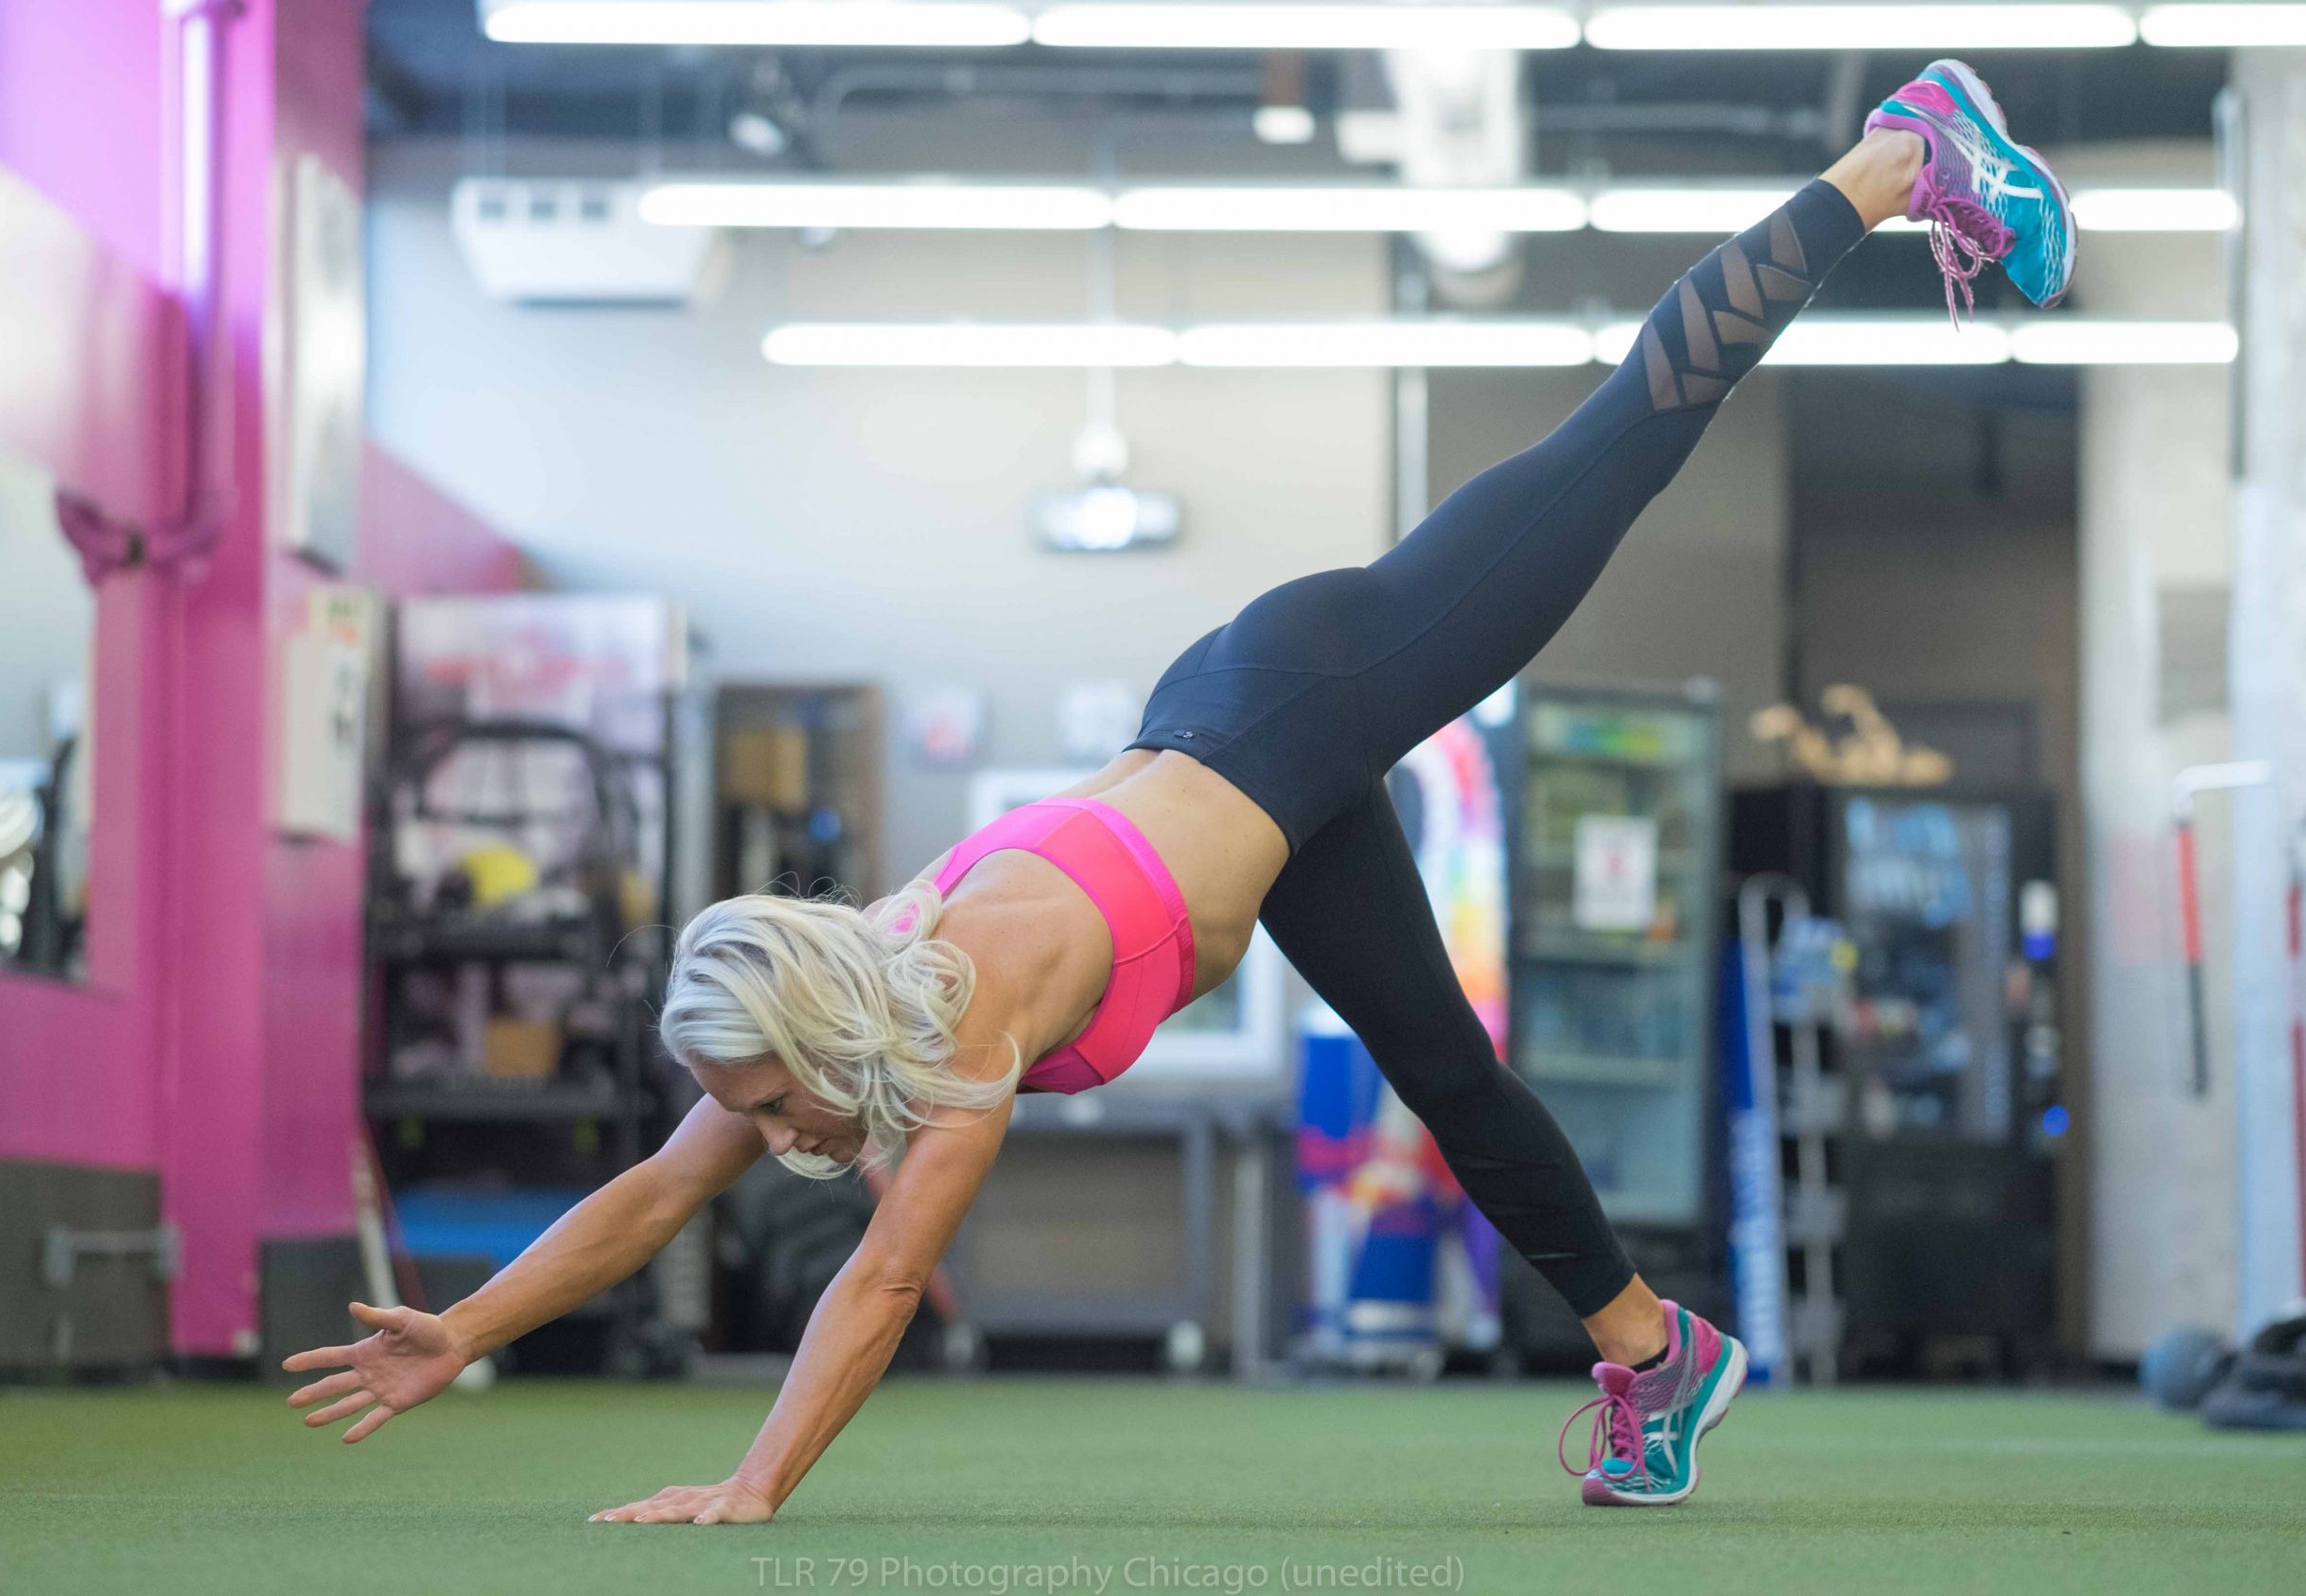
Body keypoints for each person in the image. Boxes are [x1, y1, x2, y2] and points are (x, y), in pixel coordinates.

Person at [284, 61, 2075, 1518]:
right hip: (1246, 766)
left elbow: (883, 1279)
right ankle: (1655, 1357)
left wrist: (754, 1486)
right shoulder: (839, 1014)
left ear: (815, 1045)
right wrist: (466, 1329)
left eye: (759, 1101)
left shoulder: (964, 1020)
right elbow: (650, 1195)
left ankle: (1894, 152)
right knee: (1445, 1071)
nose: (762, 1132)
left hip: (1305, 694)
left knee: (1621, 438)